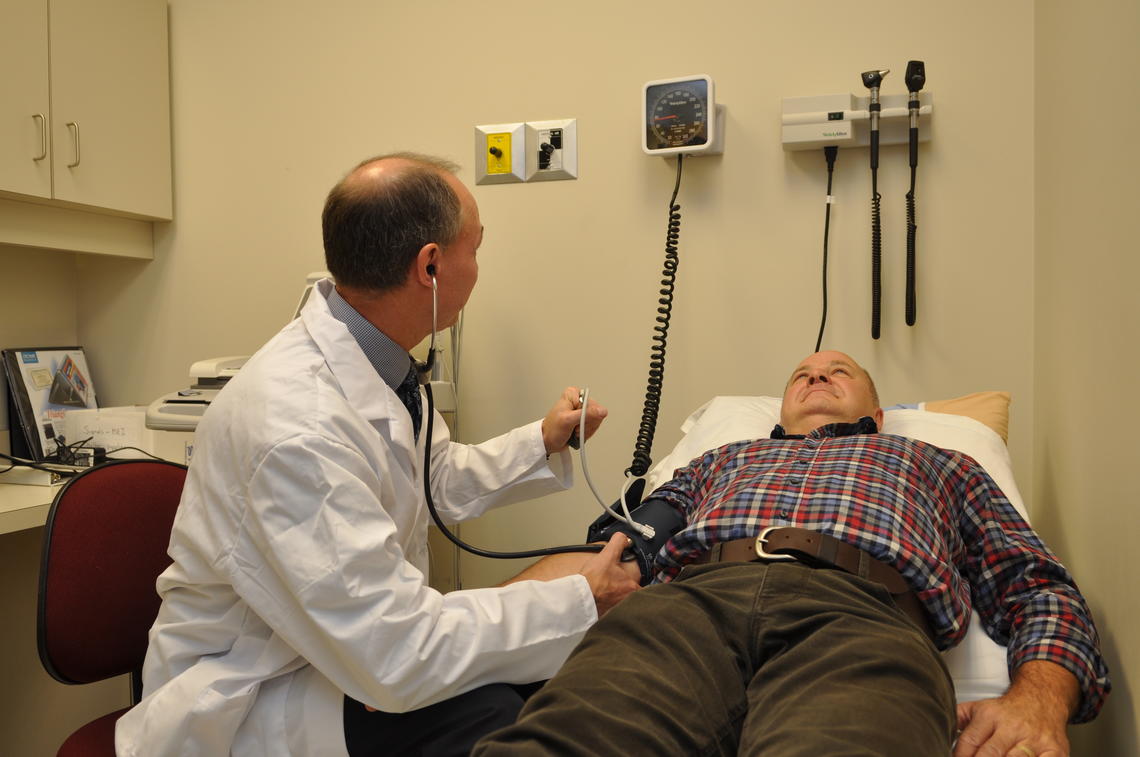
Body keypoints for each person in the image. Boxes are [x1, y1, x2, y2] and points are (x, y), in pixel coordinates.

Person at [115, 153, 641, 757]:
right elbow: (396, 654)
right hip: (252, 694)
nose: (478, 267)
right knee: (494, 711)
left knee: (530, 675)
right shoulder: (298, 429)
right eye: (476, 248)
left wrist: (541, 441)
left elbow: (429, 481)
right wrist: (580, 600)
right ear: (431, 266)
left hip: (340, 647)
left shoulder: (379, 359)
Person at [474, 350, 1110, 757]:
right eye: (802, 375)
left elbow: (1036, 584)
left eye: (839, 373)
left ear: (878, 411)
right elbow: (612, 555)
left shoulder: (941, 463)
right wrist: (459, 636)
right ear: (779, 410)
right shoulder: (720, 459)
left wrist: (1038, 701)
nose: (816, 378)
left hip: (860, 619)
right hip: (683, 612)